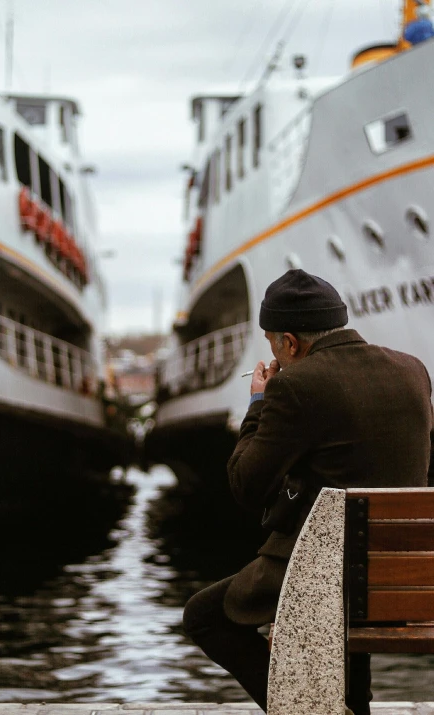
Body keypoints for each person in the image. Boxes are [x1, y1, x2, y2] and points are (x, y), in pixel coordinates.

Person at [183, 269, 434, 715]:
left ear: (290, 343)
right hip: (398, 579)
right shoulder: (414, 371)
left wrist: (260, 403)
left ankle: (312, 710)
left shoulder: (296, 386)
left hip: (322, 574)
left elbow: (246, 485)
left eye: (271, 342)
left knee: (205, 616)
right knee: (347, 610)